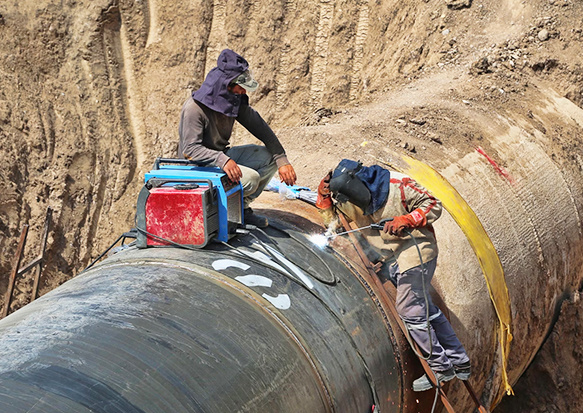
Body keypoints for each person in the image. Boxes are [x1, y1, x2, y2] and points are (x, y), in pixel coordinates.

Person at [316, 159, 470, 392]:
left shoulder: (399, 185)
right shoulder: (347, 199)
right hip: (392, 259)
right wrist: (324, 199)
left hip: (417, 251)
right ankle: (459, 361)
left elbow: (433, 203)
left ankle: (440, 368)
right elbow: (335, 225)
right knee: (425, 309)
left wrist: (407, 219)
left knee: (409, 310)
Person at [178, 48, 297, 228]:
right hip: (197, 167)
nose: (243, 92)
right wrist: (222, 160)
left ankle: (241, 208)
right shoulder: (194, 109)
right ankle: (224, 213)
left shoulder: (233, 100)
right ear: (227, 85)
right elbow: (190, 149)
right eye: (240, 88)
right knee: (250, 179)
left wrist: (282, 159)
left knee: (269, 158)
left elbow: (260, 127)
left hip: (220, 158)